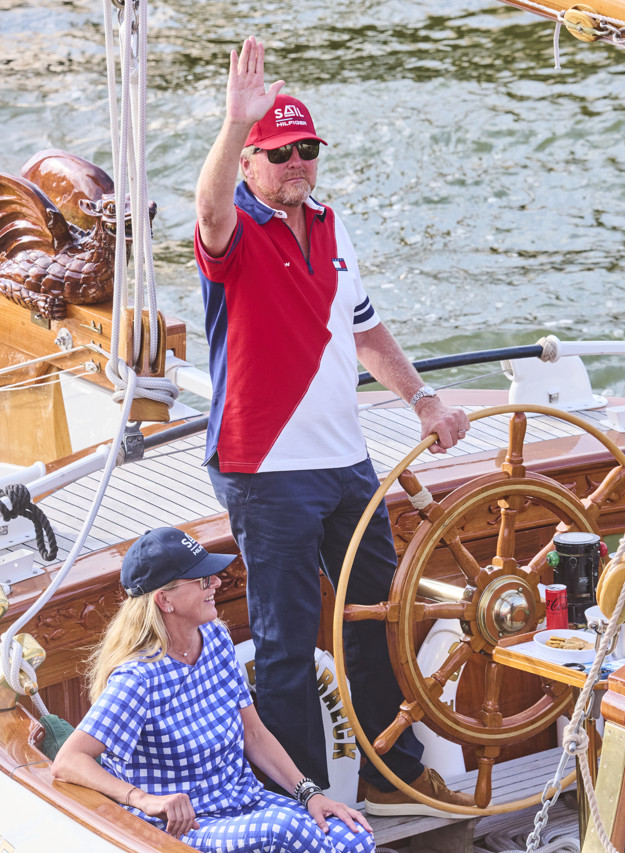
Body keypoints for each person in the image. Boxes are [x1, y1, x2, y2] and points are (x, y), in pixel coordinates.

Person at [191, 37, 473, 816]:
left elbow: (366, 332)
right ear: (250, 162)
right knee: (283, 649)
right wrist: (230, 121)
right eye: (279, 152)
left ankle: (389, 774)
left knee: (379, 617)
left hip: (346, 463)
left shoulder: (332, 226)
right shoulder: (235, 232)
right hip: (264, 468)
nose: (297, 164)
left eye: (307, 149)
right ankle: (299, 802)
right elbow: (207, 211)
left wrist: (422, 399)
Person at [52, 527, 375, 852]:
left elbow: (254, 734)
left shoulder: (216, 638)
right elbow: (68, 760)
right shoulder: (139, 678)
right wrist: (143, 800)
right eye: (203, 580)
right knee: (285, 829)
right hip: (187, 827)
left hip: (245, 803)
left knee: (355, 835)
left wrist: (310, 794)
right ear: (165, 600)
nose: (217, 583)